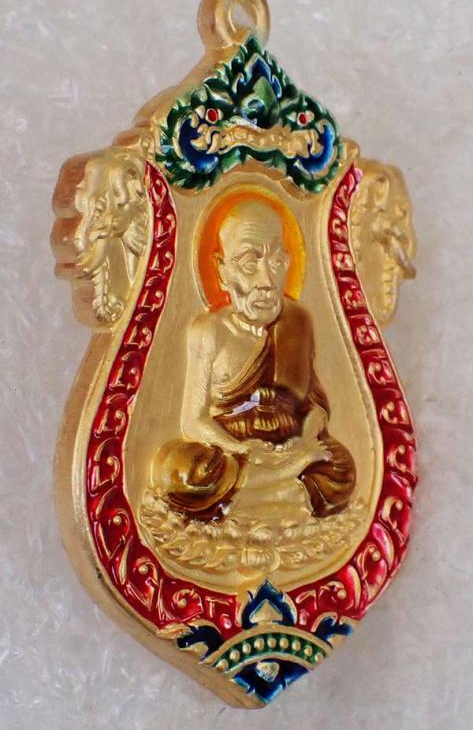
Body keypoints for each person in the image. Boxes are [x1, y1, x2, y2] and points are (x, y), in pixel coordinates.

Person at [149, 199, 356, 523]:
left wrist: (304, 442)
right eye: (249, 263)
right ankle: (285, 488)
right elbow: (193, 420)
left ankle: (260, 494)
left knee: (341, 468)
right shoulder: (210, 331)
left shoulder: (297, 322)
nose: (266, 280)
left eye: (276, 261)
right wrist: (241, 449)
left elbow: (314, 404)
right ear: (222, 270)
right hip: (230, 451)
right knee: (181, 470)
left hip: (287, 442)